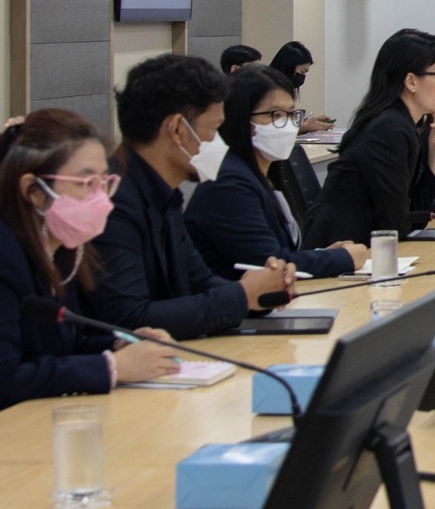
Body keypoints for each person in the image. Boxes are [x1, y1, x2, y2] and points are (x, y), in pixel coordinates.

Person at [0, 111, 185, 442]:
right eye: (86, 184)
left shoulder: (60, 247)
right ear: (33, 190)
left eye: (104, 182)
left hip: (22, 429)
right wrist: (113, 367)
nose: (101, 198)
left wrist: (121, 343)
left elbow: (62, 346)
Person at [82, 54, 295, 338]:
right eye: (213, 130)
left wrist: (261, 291)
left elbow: (199, 281)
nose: (219, 143)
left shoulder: (164, 193)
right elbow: (130, 318)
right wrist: (242, 296)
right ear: (178, 130)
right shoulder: (112, 201)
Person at [186, 65, 369, 280]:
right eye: (276, 115)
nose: (288, 125)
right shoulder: (228, 183)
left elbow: (281, 253)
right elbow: (269, 263)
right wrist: (342, 258)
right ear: (241, 118)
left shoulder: (262, 174)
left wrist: (323, 254)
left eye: (291, 115)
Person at [307, 28, 435, 245]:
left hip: (367, 248)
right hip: (341, 251)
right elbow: (396, 225)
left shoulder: (401, 124)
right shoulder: (388, 129)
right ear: (411, 81)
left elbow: (415, 215)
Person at [268, 41, 334, 134]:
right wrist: (304, 127)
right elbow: (272, 130)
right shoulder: (266, 90)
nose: (302, 77)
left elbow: (283, 125)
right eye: (302, 71)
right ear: (289, 66)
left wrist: (308, 123)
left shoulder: (283, 91)